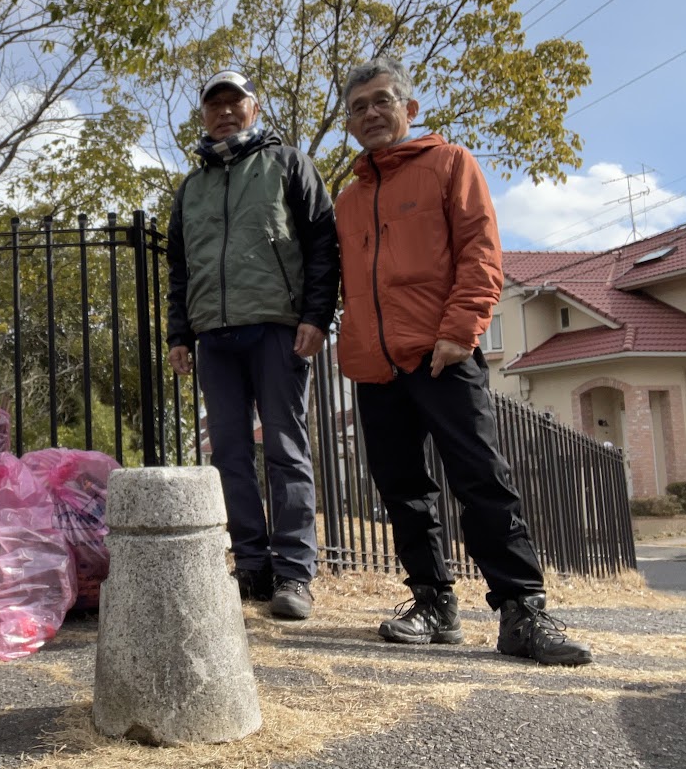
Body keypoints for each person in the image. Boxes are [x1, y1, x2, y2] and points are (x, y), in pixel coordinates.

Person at [333, 56, 592, 666]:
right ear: (349, 122)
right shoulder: (346, 200)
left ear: (409, 108)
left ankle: (522, 610)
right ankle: (432, 604)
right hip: (376, 365)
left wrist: (461, 330)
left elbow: (481, 253)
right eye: (358, 107)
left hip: (444, 354)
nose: (370, 113)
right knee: (402, 490)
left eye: (381, 101)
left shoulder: (451, 164)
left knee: (481, 478)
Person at [166, 69, 340, 620]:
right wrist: (179, 333)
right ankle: (251, 568)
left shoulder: (288, 163)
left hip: (277, 326)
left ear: (253, 107)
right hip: (214, 335)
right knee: (230, 454)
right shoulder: (191, 188)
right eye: (213, 104)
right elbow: (178, 268)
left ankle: (294, 573)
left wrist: (317, 316)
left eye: (233, 102)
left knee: (286, 449)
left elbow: (322, 243)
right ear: (204, 116)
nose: (224, 112)